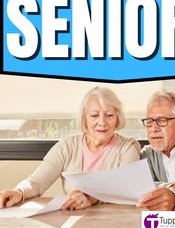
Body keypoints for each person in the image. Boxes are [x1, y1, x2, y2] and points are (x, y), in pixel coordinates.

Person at [0, 87, 140, 211]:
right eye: (94, 115)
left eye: (109, 115)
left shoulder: (128, 147)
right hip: (72, 223)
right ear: (84, 118)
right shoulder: (66, 146)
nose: (102, 122)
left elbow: (124, 188)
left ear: (117, 118)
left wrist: (90, 198)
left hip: (115, 225)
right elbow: (36, 182)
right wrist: (18, 192)